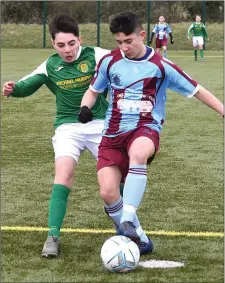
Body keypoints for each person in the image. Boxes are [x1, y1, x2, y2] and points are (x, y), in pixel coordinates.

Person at [2, 13, 150, 258]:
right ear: (53, 44)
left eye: (72, 43)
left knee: (114, 180)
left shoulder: (98, 55)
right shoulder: (50, 65)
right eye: (61, 45)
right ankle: (52, 236)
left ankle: (126, 225)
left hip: (100, 125)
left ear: (79, 39)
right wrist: (13, 89)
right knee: (64, 174)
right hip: (67, 128)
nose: (67, 50)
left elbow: (128, 56)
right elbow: (27, 85)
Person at [78, 11, 224, 249]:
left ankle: (126, 221)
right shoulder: (109, 62)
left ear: (142, 35)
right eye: (119, 42)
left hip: (145, 129)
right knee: (107, 193)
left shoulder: (161, 66)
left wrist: (222, 110)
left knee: (138, 155)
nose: (124, 47)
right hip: (112, 134)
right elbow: (94, 90)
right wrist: (85, 107)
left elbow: (197, 90)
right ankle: (141, 238)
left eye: (129, 41)